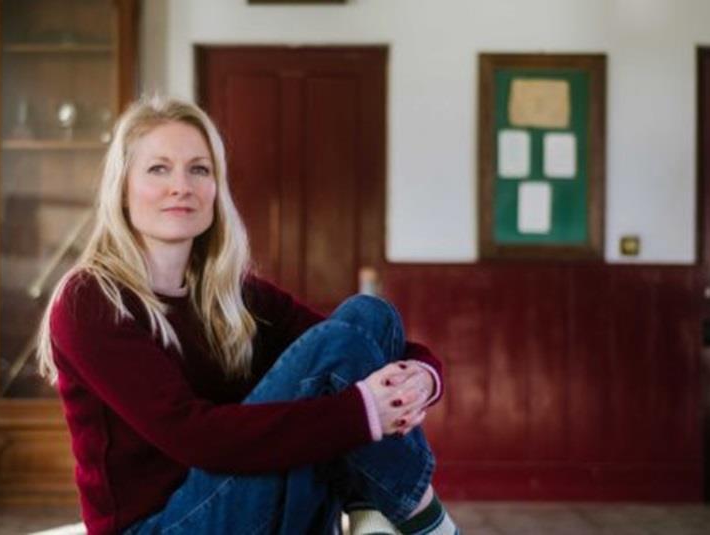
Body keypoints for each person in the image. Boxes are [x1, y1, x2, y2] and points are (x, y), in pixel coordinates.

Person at [35, 95, 459, 535]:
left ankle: (369, 504)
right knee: (340, 349)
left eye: (199, 169)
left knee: (371, 315)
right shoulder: (90, 300)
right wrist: (363, 412)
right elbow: (194, 436)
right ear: (122, 188)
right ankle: (426, 522)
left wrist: (425, 377)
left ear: (216, 189)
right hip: (158, 526)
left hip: (239, 499)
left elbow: (363, 340)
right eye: (158, 168)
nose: (181, 186)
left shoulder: (227, 291)